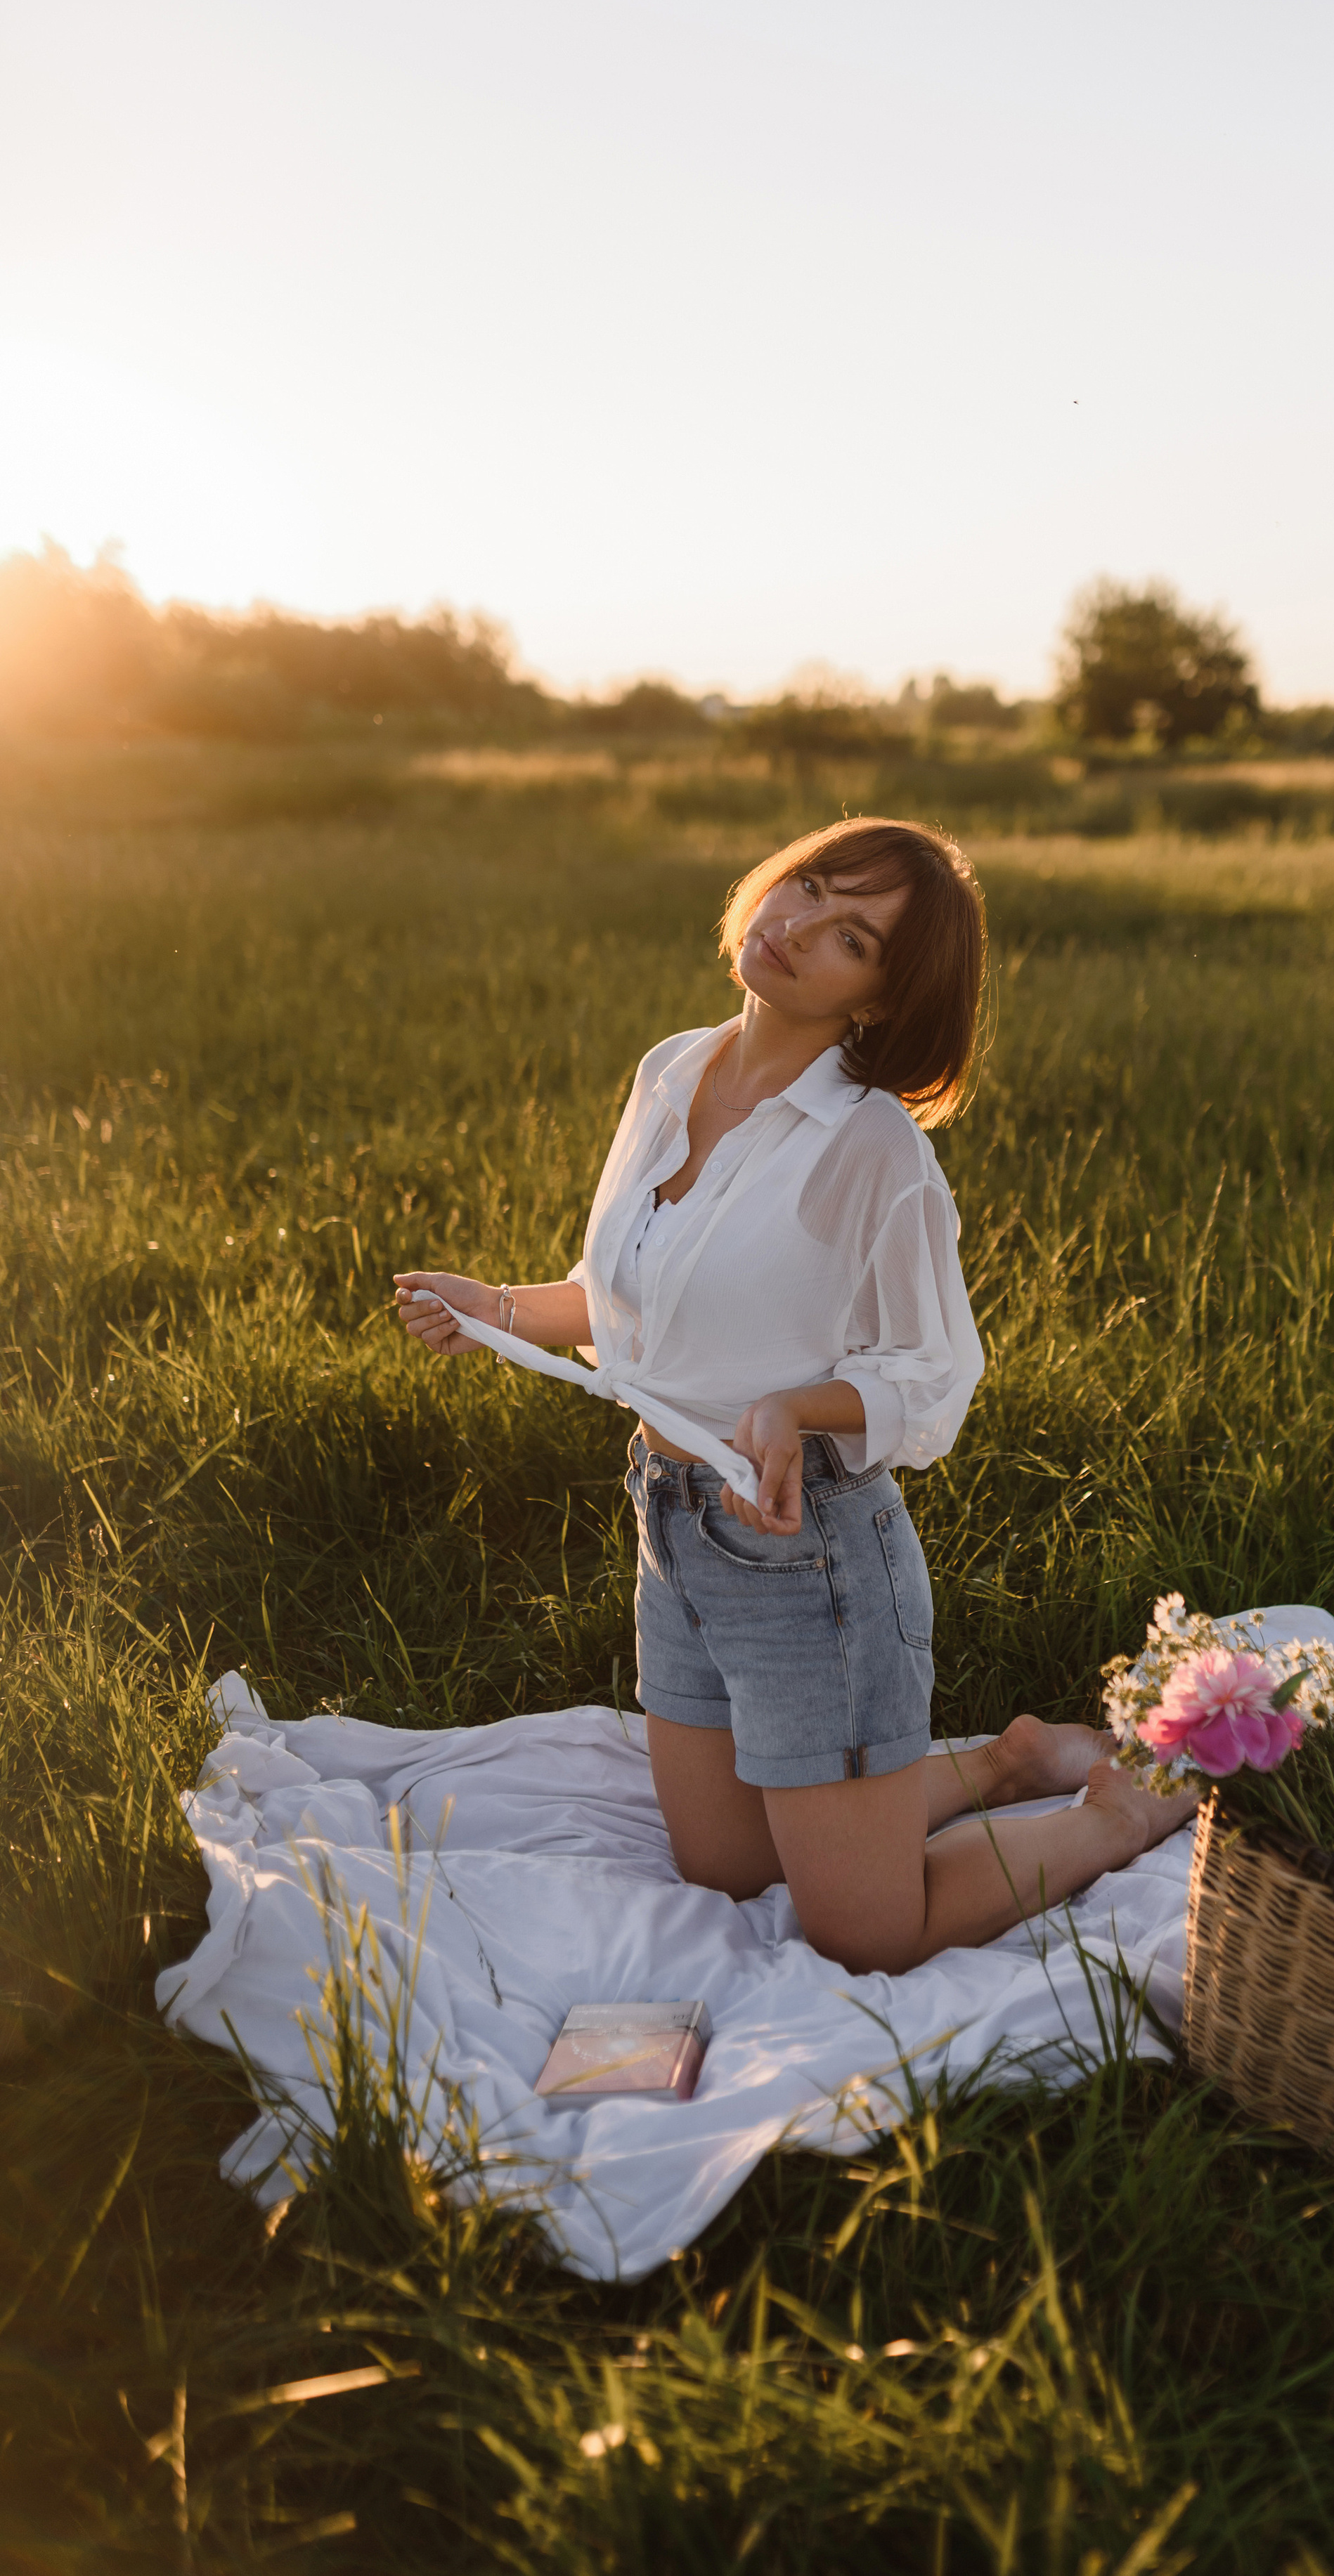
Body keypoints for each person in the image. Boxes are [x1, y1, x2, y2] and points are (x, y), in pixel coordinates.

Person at [395, 818, 1196, 1973]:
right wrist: (498, 1306)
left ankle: (1116, 1815)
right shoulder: (672, 1070)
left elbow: (934, 1371)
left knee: (866, 1932)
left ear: (881, 998)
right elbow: (632, 1301)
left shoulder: (872, 1146)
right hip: (673, 1522)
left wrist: (795, 1406)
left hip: (805, 1549)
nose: (801, 926)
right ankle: (1009, 1758)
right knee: (723, 1865)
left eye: (853, 937)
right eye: (811, 886)